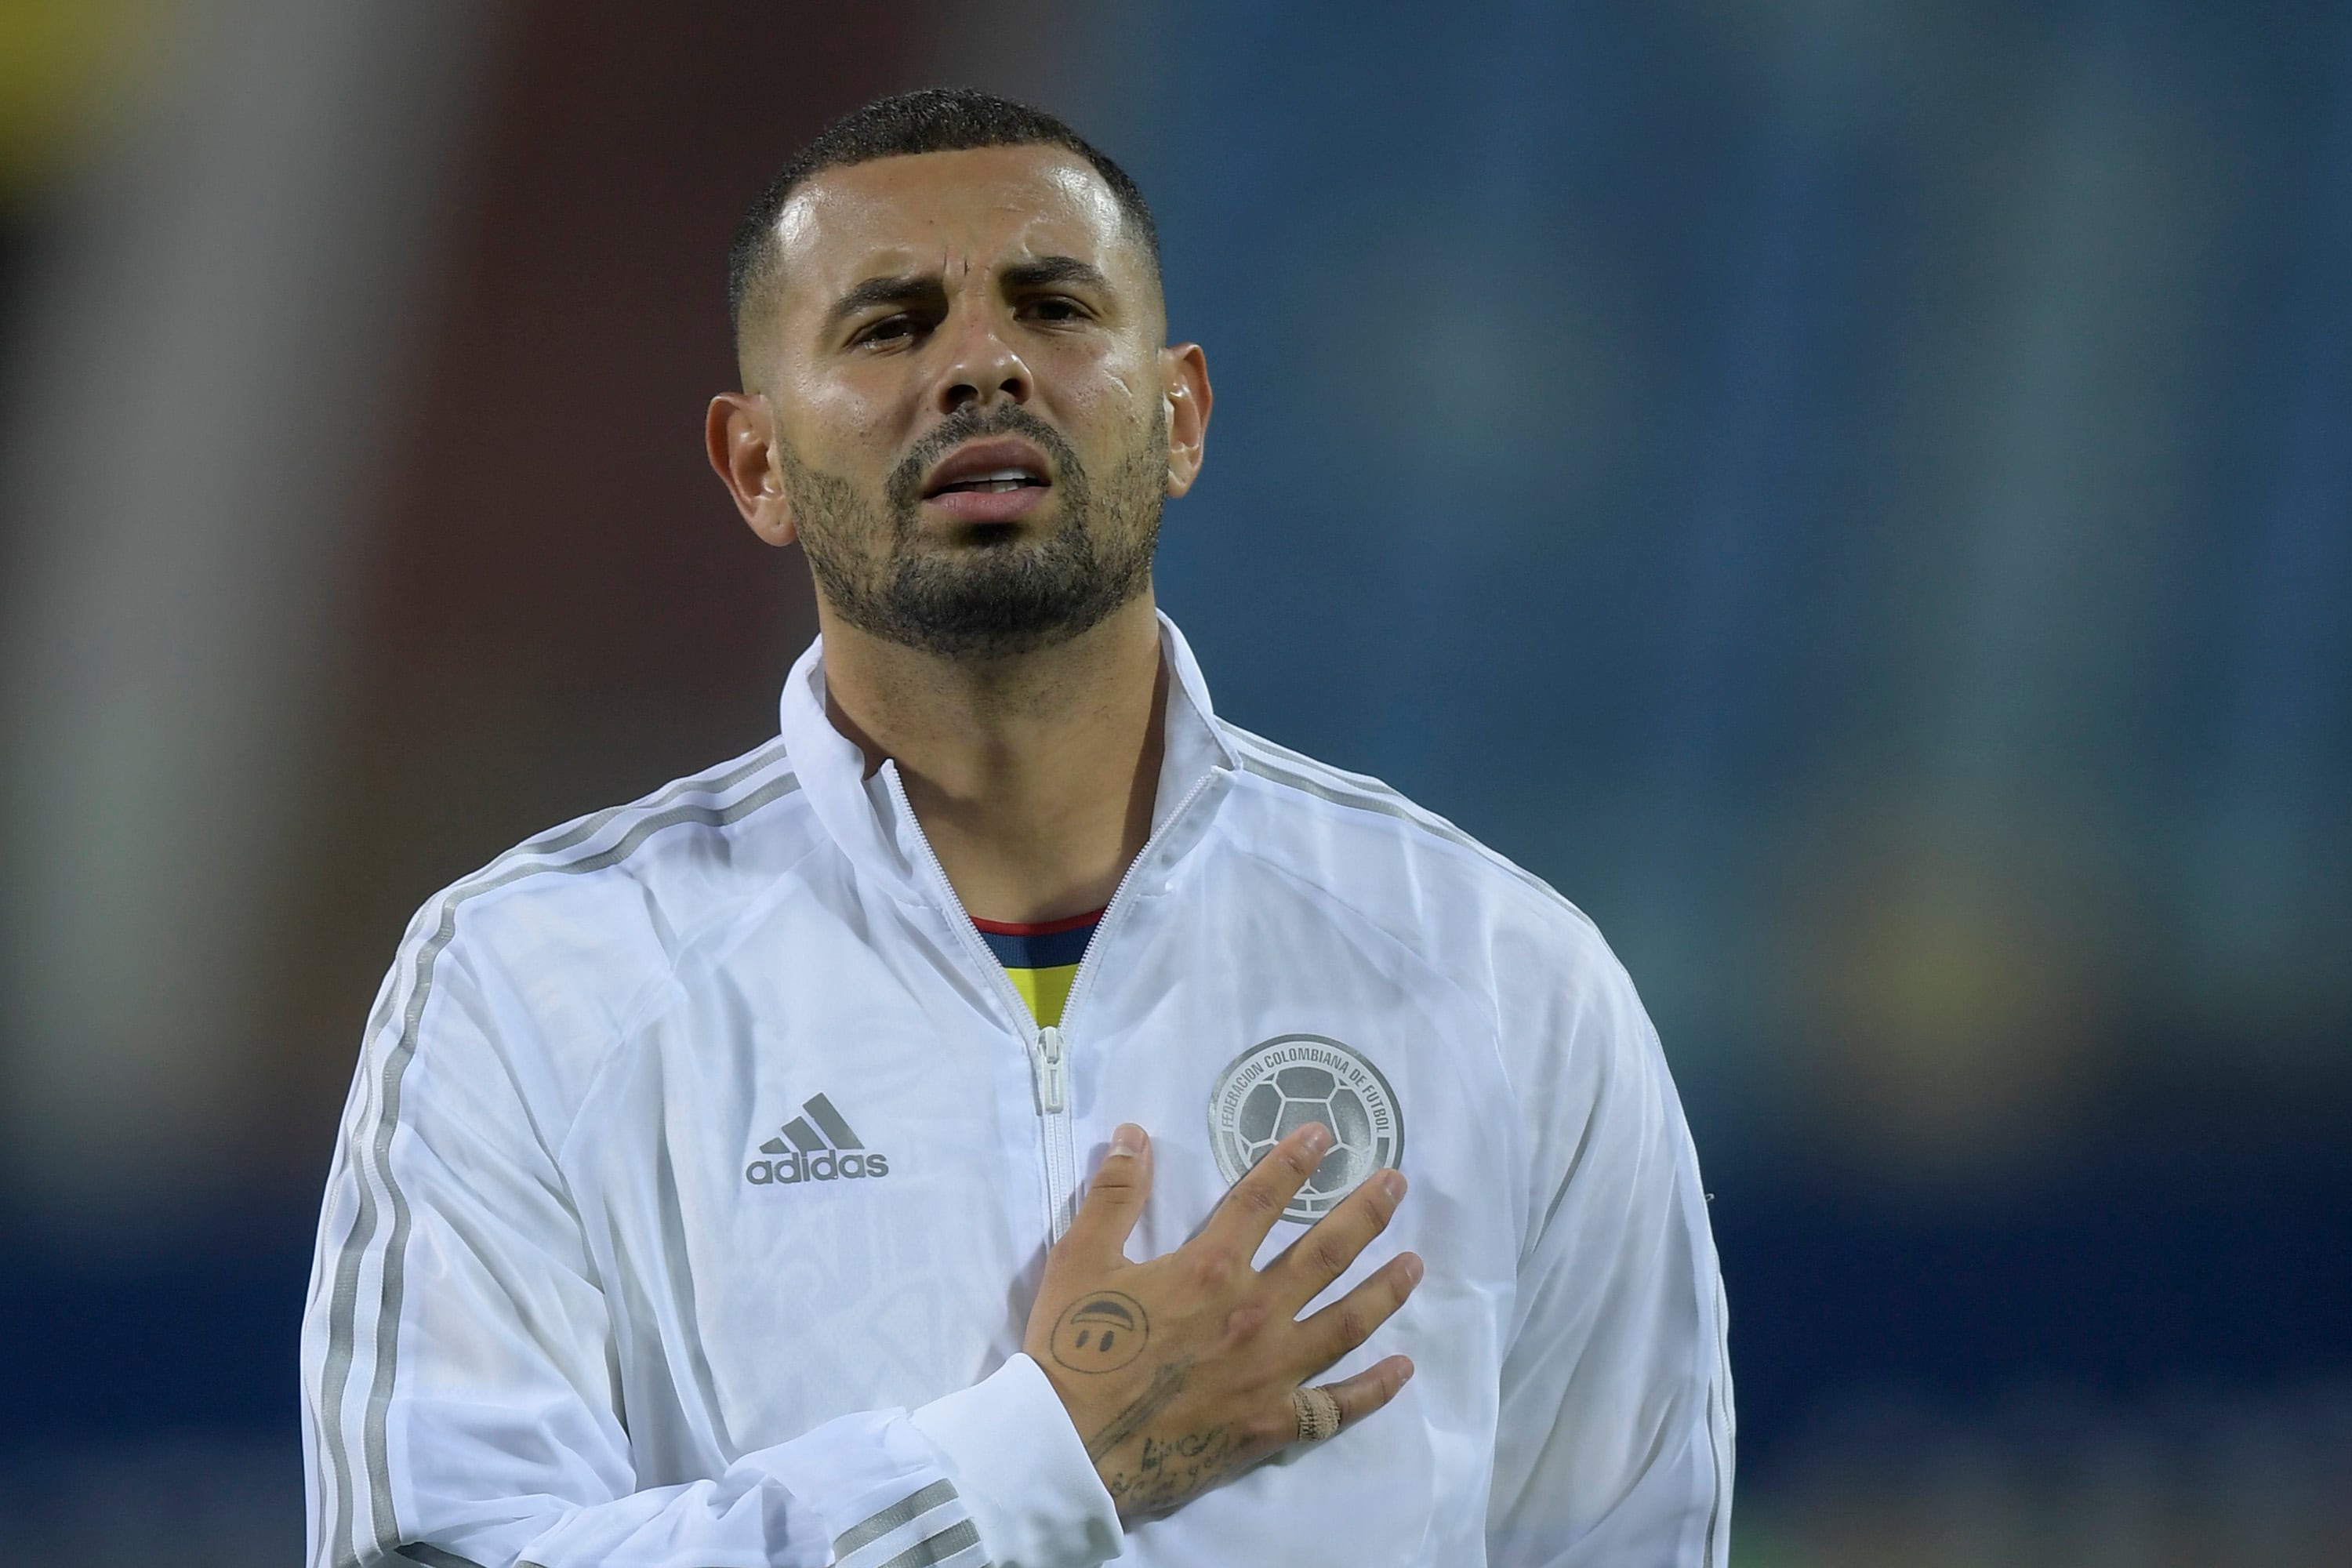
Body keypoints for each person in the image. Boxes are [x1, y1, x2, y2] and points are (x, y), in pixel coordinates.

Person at [301, 88, 1732, 1568]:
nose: (983, 365)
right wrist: (1037, 1468)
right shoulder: (534, 982)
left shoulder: (1505, 980)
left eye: (1053, 306)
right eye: (889, 325)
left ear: (1179, 416)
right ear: (757, 467)